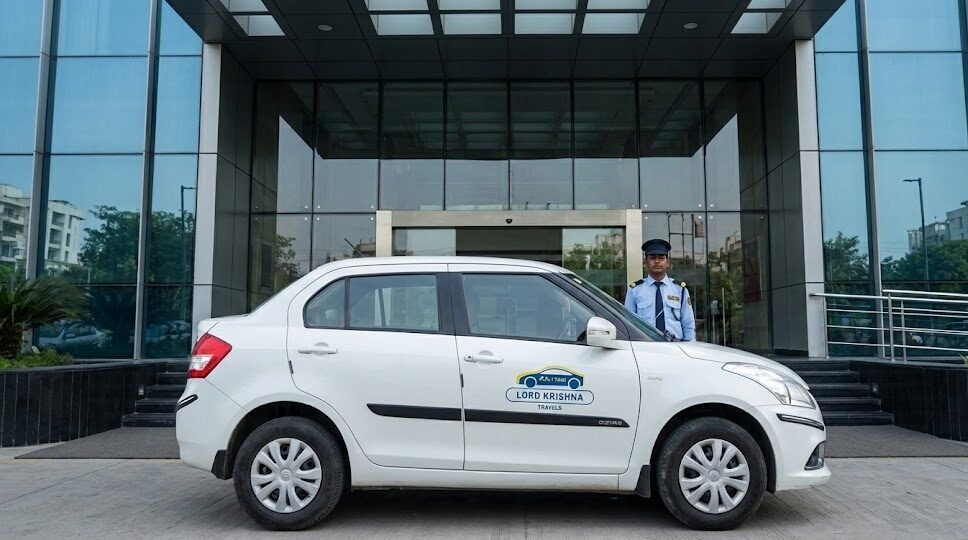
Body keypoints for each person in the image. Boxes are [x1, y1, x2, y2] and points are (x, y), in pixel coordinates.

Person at [624, 238, 696, 341]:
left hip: (676, 347)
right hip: (645, 347)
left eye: (661, 258)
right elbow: (629, 324)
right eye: (652, 258)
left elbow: (688, 325)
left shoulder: (680, 290)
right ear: (646, 262)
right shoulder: (635, 290)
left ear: (668, 262)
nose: (657, 262)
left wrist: (690, 348)